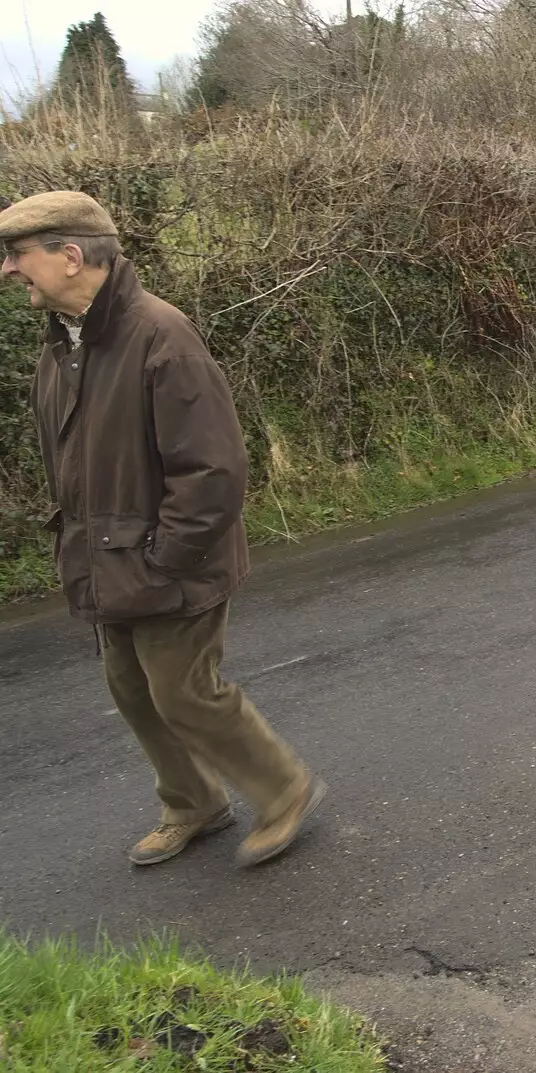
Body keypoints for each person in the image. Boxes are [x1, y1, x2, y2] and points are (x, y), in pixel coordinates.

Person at [2, 191, 326, 868]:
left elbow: (213, 469)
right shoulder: (61, 348)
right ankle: (193, 803)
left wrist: (163, 560)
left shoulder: (160, 335)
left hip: (170, 563)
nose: (9, 270)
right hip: (105, 563)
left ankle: (284, 791)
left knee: (184, 689)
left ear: (70, 256)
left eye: (17, 254)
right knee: (132, 690)